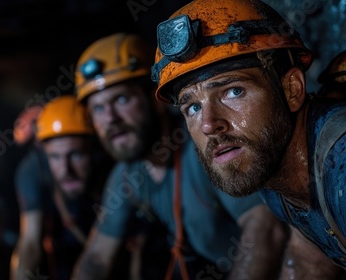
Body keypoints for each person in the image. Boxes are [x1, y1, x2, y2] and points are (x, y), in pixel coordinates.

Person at [150, 0, 346, 279]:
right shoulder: (272, 163)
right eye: (192, 107)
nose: (208, 125)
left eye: (233, 91)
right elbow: (307, 257)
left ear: (292, 90)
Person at [72, 32, 292, 280]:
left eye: (122, 99)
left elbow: (266, 230)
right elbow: (97, 258)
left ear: (154, 98)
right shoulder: (127, 175)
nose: (111, 118)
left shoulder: (207, 146)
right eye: (98, 108)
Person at [9, 95, 120, 280]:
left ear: (94, 150)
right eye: (55, 157)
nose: (65, 170)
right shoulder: (32, 171)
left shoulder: (114, 166)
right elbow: (29, 242)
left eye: (76, 155)